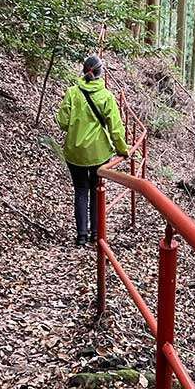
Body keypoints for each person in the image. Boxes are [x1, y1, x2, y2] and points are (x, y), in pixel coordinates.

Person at [57, 55, 129, 246]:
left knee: (80, 191)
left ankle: (81, 235)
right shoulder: (106, 96)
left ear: (83, 71)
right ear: (100, 73)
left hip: (74, 152)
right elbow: (115, 128)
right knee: (97, 191)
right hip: (99, 153)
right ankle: (97, 233)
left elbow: (63, 122)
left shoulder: (72, 92)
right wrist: (123, 149)